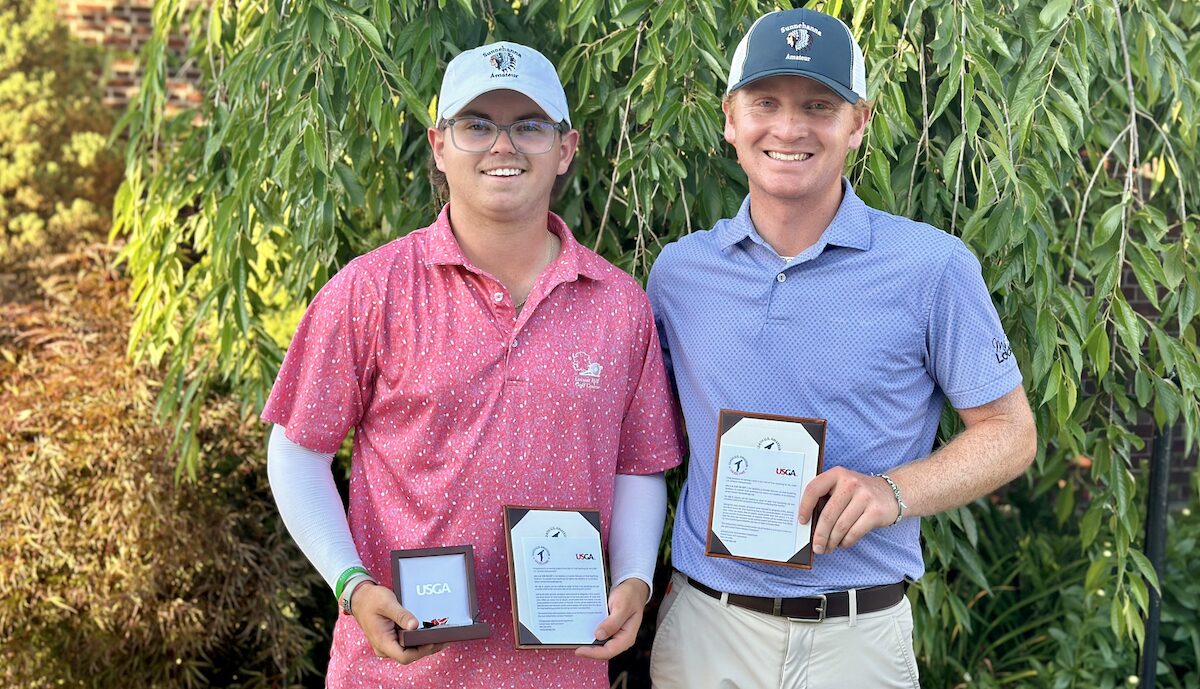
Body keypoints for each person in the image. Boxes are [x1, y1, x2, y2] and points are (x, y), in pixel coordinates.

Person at [263, 41, 682, 688]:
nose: (503, 145)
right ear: (438, 145)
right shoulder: (370, 290)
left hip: (561, 672)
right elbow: (296, 451)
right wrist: (351, 583)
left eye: (529, 126)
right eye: (477, 124)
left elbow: (638, 464)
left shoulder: (619, 306)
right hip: (398, 672)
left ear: (565, 148)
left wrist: (634, 576)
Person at [646, 8, 1036, 688]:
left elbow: (1011, 433)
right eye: (765, 103)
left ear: (858, 123)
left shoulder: (932, 267)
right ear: (730, 119)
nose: (789, 127)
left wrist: (893, 490)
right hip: (708, 634)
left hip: (857, 641)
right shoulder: (678, 275)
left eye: (819, 106)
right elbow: (645, 443)